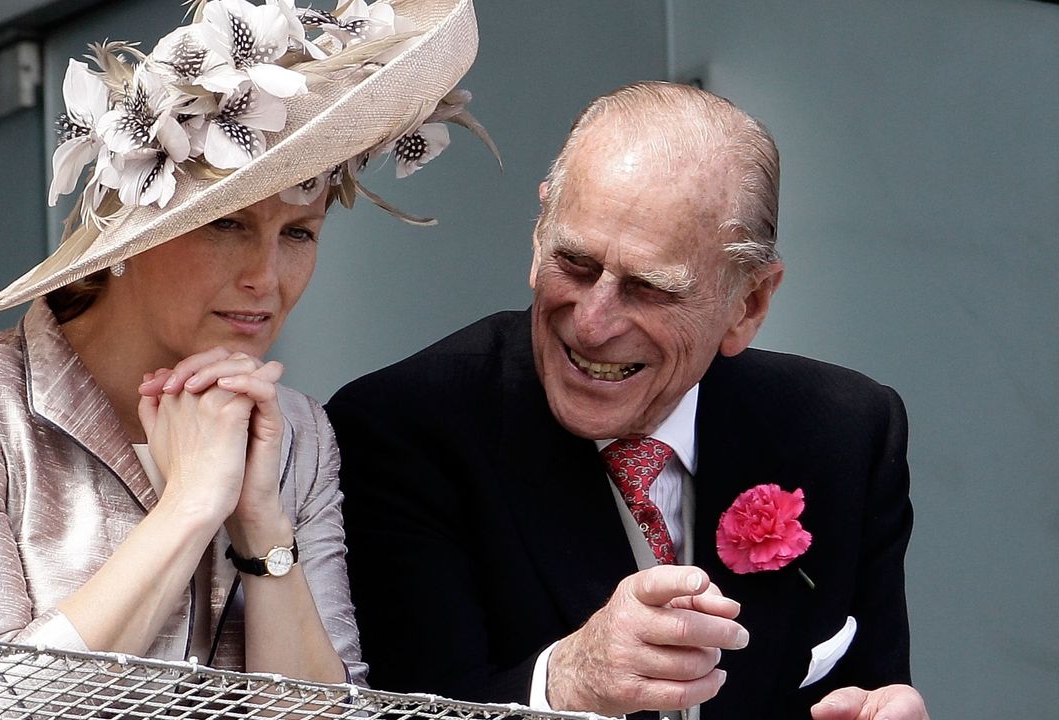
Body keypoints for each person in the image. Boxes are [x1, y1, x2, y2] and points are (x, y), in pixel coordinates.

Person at [0, 0, 485, 686]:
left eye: (298, 233)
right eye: (227, 226)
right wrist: (190, 505)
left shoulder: (297, 435)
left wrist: (264, 531)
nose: (265, 278)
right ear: (133, 232)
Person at [327, 82, 930, 719]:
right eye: (576, 265)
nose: (591, 323)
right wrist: (565, 685)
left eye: (649, 289)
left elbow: (867, 690)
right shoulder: (403, 430)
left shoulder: (845, 431)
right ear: (539, 237)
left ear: (748, 304)